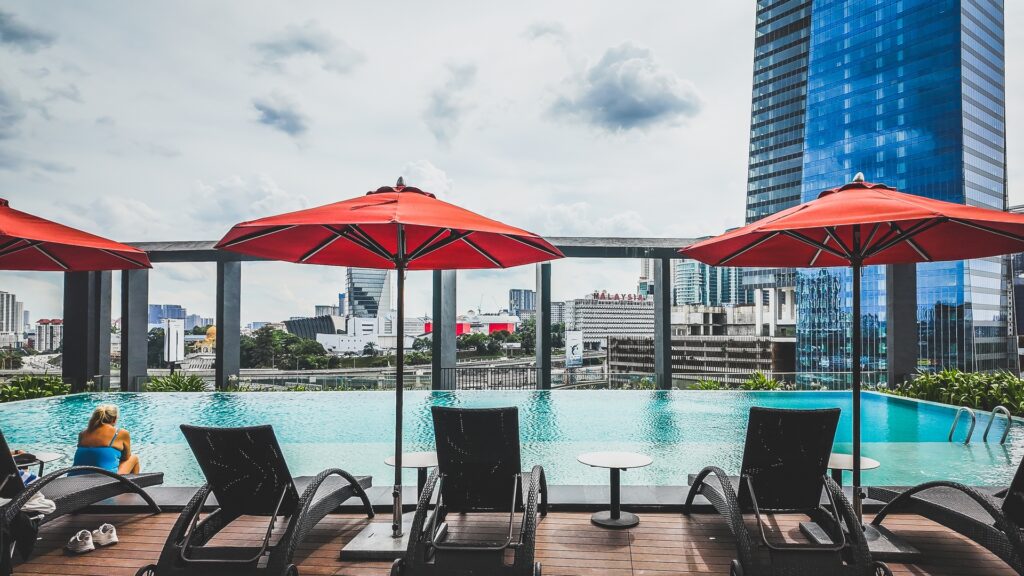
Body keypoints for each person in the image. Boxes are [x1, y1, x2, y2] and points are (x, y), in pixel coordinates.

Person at [70, 404, 140, 475]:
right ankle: (134, 485)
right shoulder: (120, 433)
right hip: (105, 480)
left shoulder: (82, 434)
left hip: (75, 479)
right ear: (114, 419)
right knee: (134, 458)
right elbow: (126, 457)